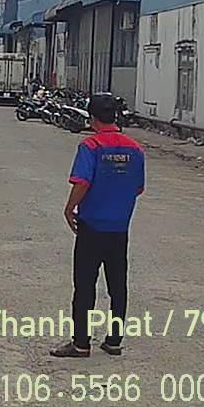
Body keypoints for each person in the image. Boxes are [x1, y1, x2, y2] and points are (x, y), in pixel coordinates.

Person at [50, 93, 145, 358]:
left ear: (92, 118)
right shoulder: (135, 149)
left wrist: (69, 208)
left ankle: (81, 343)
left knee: (85, 285)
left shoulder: (90, 146)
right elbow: (138, 188)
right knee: (118, 286)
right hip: (119, 228)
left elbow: (82, 182)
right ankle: (114, 341)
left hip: (91, 226)